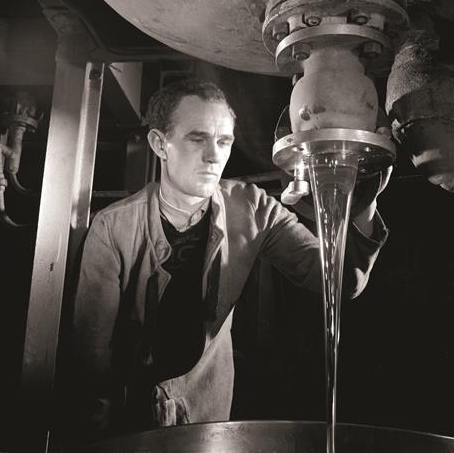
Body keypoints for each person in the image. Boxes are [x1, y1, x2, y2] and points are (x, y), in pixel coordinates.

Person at [70, 78, 389, 442]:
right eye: (197, 138)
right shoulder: (113, 227)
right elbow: (90, 358)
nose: (213, 155)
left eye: (223, 142)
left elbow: (341, 282)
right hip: (127, 425)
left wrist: (362, 207)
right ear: (160, 144)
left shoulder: (252, 210)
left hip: (207, 424)